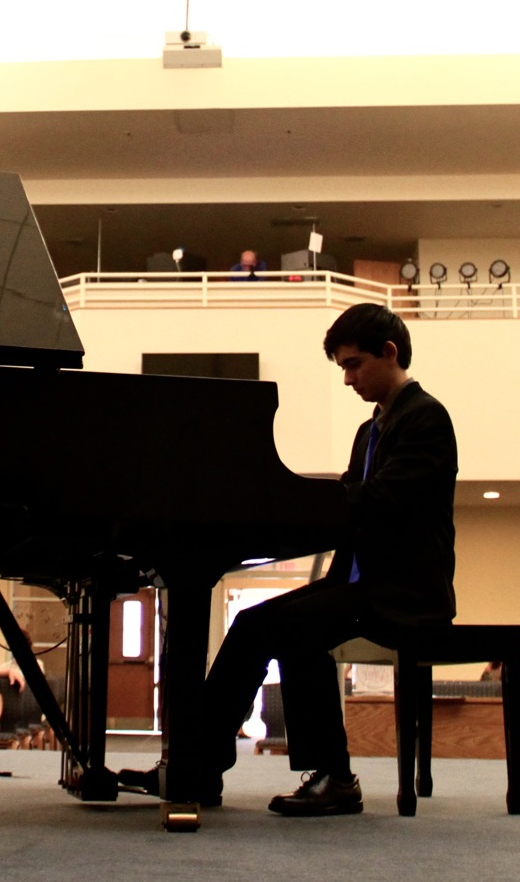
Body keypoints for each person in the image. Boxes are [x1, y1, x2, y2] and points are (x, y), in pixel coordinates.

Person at [134, 303, 456, 816]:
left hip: (403, 587)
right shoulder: (370, 428)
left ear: (389, 353)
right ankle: (198, 763)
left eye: (354, 364)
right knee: (252, 622)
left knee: (295, 626)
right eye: (343, 368)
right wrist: (287, 506)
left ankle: (335, 775)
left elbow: (382, 500)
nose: (348, 378)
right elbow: (351, 501)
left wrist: (295, 499)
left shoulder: (425, 418)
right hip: (361, 583)